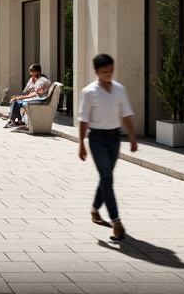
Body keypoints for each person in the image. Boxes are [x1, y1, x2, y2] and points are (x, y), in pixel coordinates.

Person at [78, 52, 138, 241]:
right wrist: (81, 144)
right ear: (96, 71)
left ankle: (95, 209)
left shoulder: (119, 89)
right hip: (97, 139)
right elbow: (83, 120)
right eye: (105, 71)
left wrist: (133, 138)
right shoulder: (89, 92)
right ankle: (116, 222)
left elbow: (126, 114)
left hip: (114, 138)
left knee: (106, 178)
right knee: (107, 178)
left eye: (111, 70)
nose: (108, 74)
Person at [4, 64, 51, 128]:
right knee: (15, 101)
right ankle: (13, 121)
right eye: (30, 71)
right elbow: (26, 91)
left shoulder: (43, 81)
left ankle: (20, 121)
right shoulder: (35, 80)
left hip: (40, 99)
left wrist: (22, 97)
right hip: (35, 98)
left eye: (32, 71)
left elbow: (36, 94)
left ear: (37, 71)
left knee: (19, 101)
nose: (31, 73)